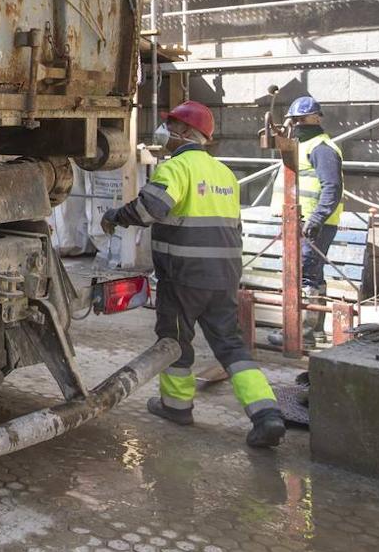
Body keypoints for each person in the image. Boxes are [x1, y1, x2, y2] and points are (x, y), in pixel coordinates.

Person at [102, 100, 286, 448]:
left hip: (184, 276)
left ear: (186, 132)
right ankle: (267, 415)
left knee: (174, 341)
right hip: (225, 275)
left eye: (172, 125)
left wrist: (115, 215)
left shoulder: (177, 168)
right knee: (230, 345)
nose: (165, 132)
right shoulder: (225, 174)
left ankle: (176, 407)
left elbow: (149, 209)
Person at [272, 96, 343, 340]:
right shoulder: (300, 146)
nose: (298, 124)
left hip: (314, 223)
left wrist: (316, 219)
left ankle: (300, 331)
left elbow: (332, 187)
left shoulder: (322, 148)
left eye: (303, 119)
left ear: (317, 118)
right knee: (310, 272)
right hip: (298, 220)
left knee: (305, 273)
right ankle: (313, 331)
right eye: (295, 119)